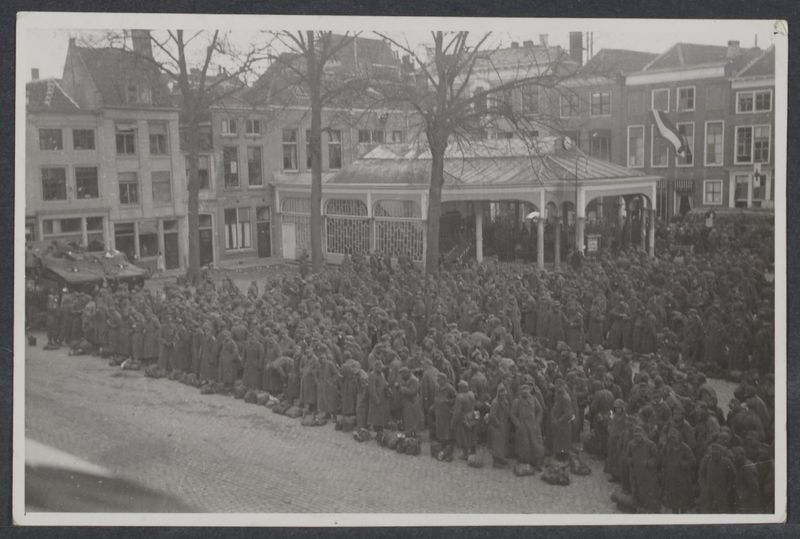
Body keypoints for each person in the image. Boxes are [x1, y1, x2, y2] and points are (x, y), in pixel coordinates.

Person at [510, 384, 544, 470]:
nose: (525, 393)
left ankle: (536, 462)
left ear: (529, 391)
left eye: (527, 391)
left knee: (536, 444)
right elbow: (512, 414)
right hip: (522, 426)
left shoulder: (534, 399)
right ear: (521, 392)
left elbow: (539, 411)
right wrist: (517, 424)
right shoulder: (517, 401)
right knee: (524, 444)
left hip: (533, 425)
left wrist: (537, 422)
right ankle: (524, 461)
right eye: (523, 391)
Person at [451, 380, 477, 460]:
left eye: (459, 387)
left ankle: (465, 454)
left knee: (463, 436)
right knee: (471, 435)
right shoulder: (471, 394)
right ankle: (473, 451)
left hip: (463, 418)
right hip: (471, 416)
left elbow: (457, 411)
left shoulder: (460, 397)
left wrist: (453, 423)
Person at [487, 384, 512, 468]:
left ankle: (501, 457)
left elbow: (507, 412)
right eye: (501, 392)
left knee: (502, 443)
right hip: (496, 426)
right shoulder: (495, 402)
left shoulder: (505, 401)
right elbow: (492, 416)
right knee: (496, 444)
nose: (503, 394)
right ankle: (496, 461)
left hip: (504, 425)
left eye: (504, 392)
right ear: (498, 393)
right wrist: (498, 424)